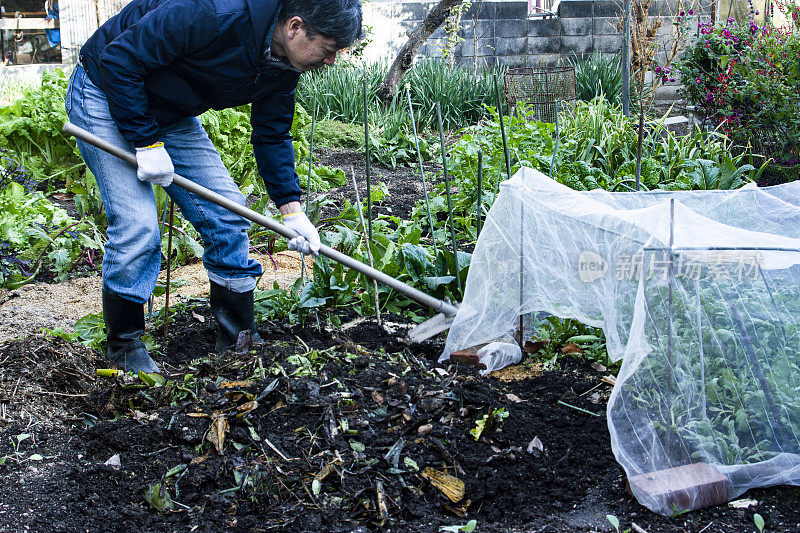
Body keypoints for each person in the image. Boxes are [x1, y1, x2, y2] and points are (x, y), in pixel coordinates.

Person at [65, 0, 362, 373]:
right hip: (105, 92)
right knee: (138, 226)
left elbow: (271, 133)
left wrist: (292, 209)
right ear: (296, 27)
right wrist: (146, 142)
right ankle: (124, 345)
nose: (330, 61)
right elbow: (118, 60)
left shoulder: (284, 62)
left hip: (169, 111)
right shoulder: (210, 13)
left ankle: (237, 338)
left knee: (227, 215)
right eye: (330, 49)